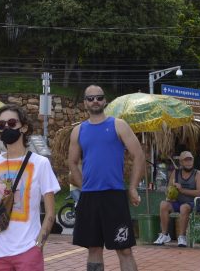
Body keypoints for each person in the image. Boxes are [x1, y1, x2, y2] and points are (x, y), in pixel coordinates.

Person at [68, 84, 145, 271]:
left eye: (99, 97)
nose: (95, 101)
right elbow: (72, 162)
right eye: (90, 98)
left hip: (114, 195)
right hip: (89, 197)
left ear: (105, 101)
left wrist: (132, 187)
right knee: (94, 248)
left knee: (124, 249)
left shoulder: (119, 125)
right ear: (85, 103)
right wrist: (84, 187)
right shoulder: (78, 130)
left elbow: (139, 156)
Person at [0, 104, 59, 271]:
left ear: (24, 127)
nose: (6, 127)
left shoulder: (40, 164)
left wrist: (38, 246)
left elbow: (50, 213)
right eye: (1, 125)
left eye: (12, 123)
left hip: (27, 251)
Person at [155, 150, 200, 247]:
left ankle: (182, 236)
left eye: (190, 159)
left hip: (193, 203)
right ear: (181, 162)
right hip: (178, 202)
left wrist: (182, 190)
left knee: (184, 207)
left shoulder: (198, 173)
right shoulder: (176, 173)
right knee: (164, 204)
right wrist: (170, 195)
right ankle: (164, 235)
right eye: (186, 160)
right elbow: (168, 188)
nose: (189, 162)